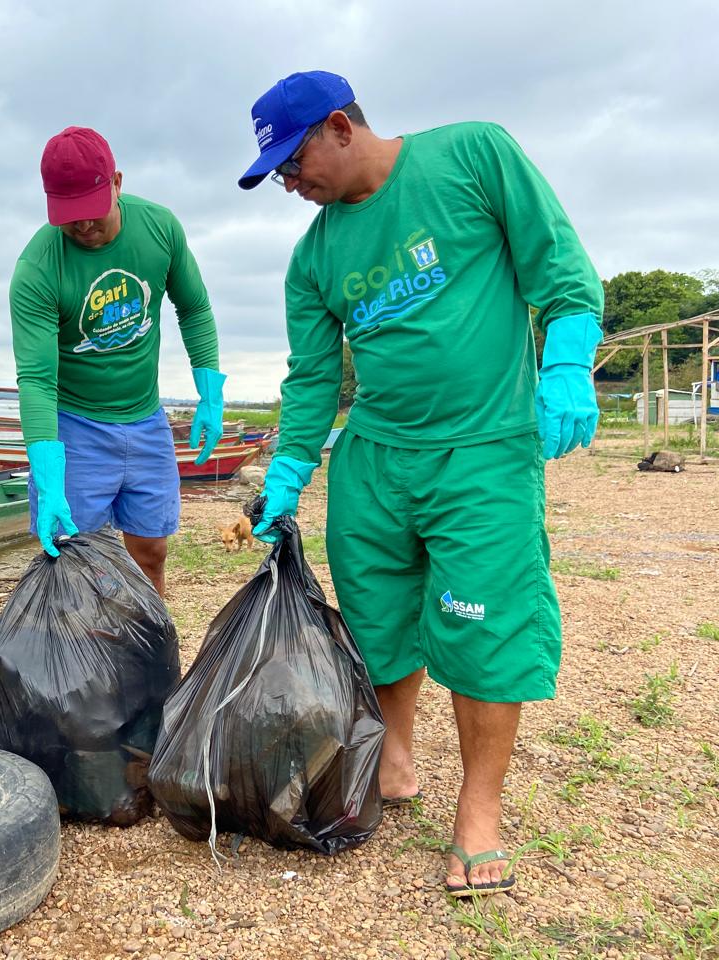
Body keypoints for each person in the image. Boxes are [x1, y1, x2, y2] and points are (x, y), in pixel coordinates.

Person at [238, 71, 602, 896]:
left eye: (292, 164)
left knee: (484, 629)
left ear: (340, 127)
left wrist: (568, 361)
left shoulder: (473, 156)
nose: (289, 185)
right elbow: (312, 378)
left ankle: (479, 811)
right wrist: (289, 472)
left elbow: (559, 267)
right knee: (378, 623)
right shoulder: (313, 257)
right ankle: (394, 760)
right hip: (374, 460)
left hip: (481, 449)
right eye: (278, 175)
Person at [10, 126, 226, 595]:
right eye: (70, 216)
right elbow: (37, 380)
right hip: (75, 425)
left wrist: (210, 393)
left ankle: (149, 640)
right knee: (74, 565)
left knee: (151, 553)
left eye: (92, 211)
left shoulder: (160, 228)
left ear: (117, 183)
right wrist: (47, 471)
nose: (84, 226)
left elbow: (193, 307)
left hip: (146, 419)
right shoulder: (38, 268)